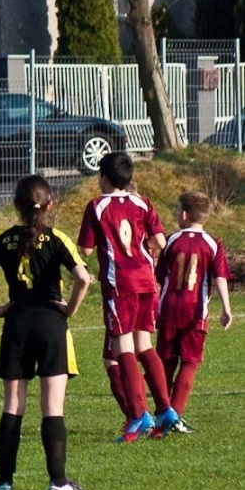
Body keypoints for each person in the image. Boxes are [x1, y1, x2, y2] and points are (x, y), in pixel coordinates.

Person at [0, 175, 90, 490]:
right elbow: (84, 278)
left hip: (16, 324)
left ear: (17, 205)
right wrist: (70, 309)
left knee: (13, 405)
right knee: (52, 407)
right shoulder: (57, 238)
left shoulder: (5, 240)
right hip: (51, 325)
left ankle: (4, 484)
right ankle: (58, 483)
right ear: (50, 205)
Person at [77, 152, 174, 442]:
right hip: (146, 280)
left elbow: (85, 249)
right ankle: (166, 409)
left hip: (119, 283)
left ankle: (139, 414)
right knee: (145, 344)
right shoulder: (142, 202)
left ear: (104, 178)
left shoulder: (97, 206)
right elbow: (160, 241)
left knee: (123, 348)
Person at [154, 191, 233, 435]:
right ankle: (174, 415)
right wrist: (226, 308)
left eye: (178, 210)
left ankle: (162, 413)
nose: (177, 213)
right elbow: (220, 277)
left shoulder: (171, 240)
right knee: (190, 362)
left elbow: (160, 275)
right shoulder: (213, 243)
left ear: (185, 214)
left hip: (168, 309)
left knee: (166, 361)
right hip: (195, 312)